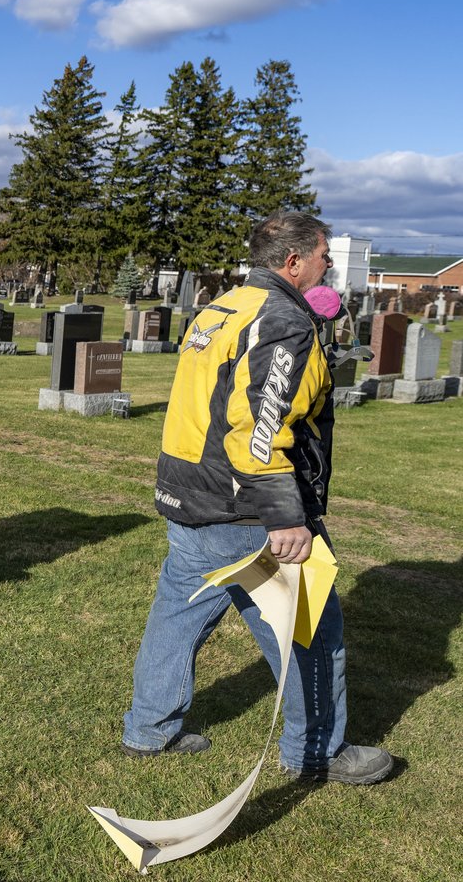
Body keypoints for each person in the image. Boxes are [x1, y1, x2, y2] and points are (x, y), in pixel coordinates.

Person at [121, 210, 394, 785]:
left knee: (177, 614)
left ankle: (150, 728)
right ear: (294, 261)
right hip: (243, 507)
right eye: (323, 256)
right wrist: (284, 515)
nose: (329, 266)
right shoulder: (279, 321)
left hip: (189, 493)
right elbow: (258, 429)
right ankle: (316, 750)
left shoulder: (226, 306)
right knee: (309, 628)